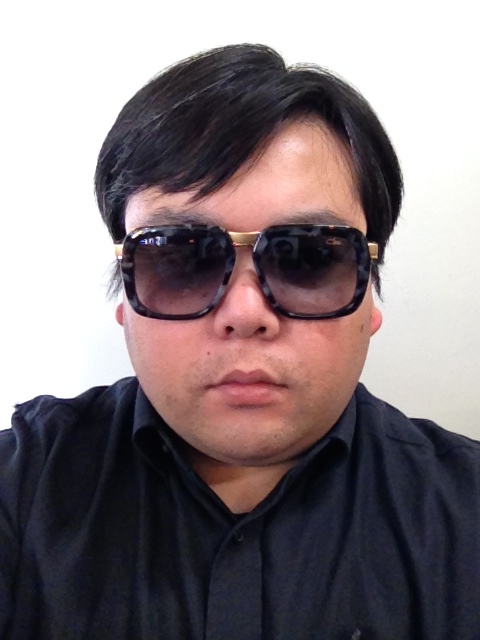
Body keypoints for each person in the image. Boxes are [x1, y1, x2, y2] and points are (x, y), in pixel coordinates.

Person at [1, 44, 479, 640]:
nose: (246, 313)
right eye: (179, 258)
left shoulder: (467, 517)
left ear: (369, 300)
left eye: (308, 257)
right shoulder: (20, 493)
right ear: (126, 303)